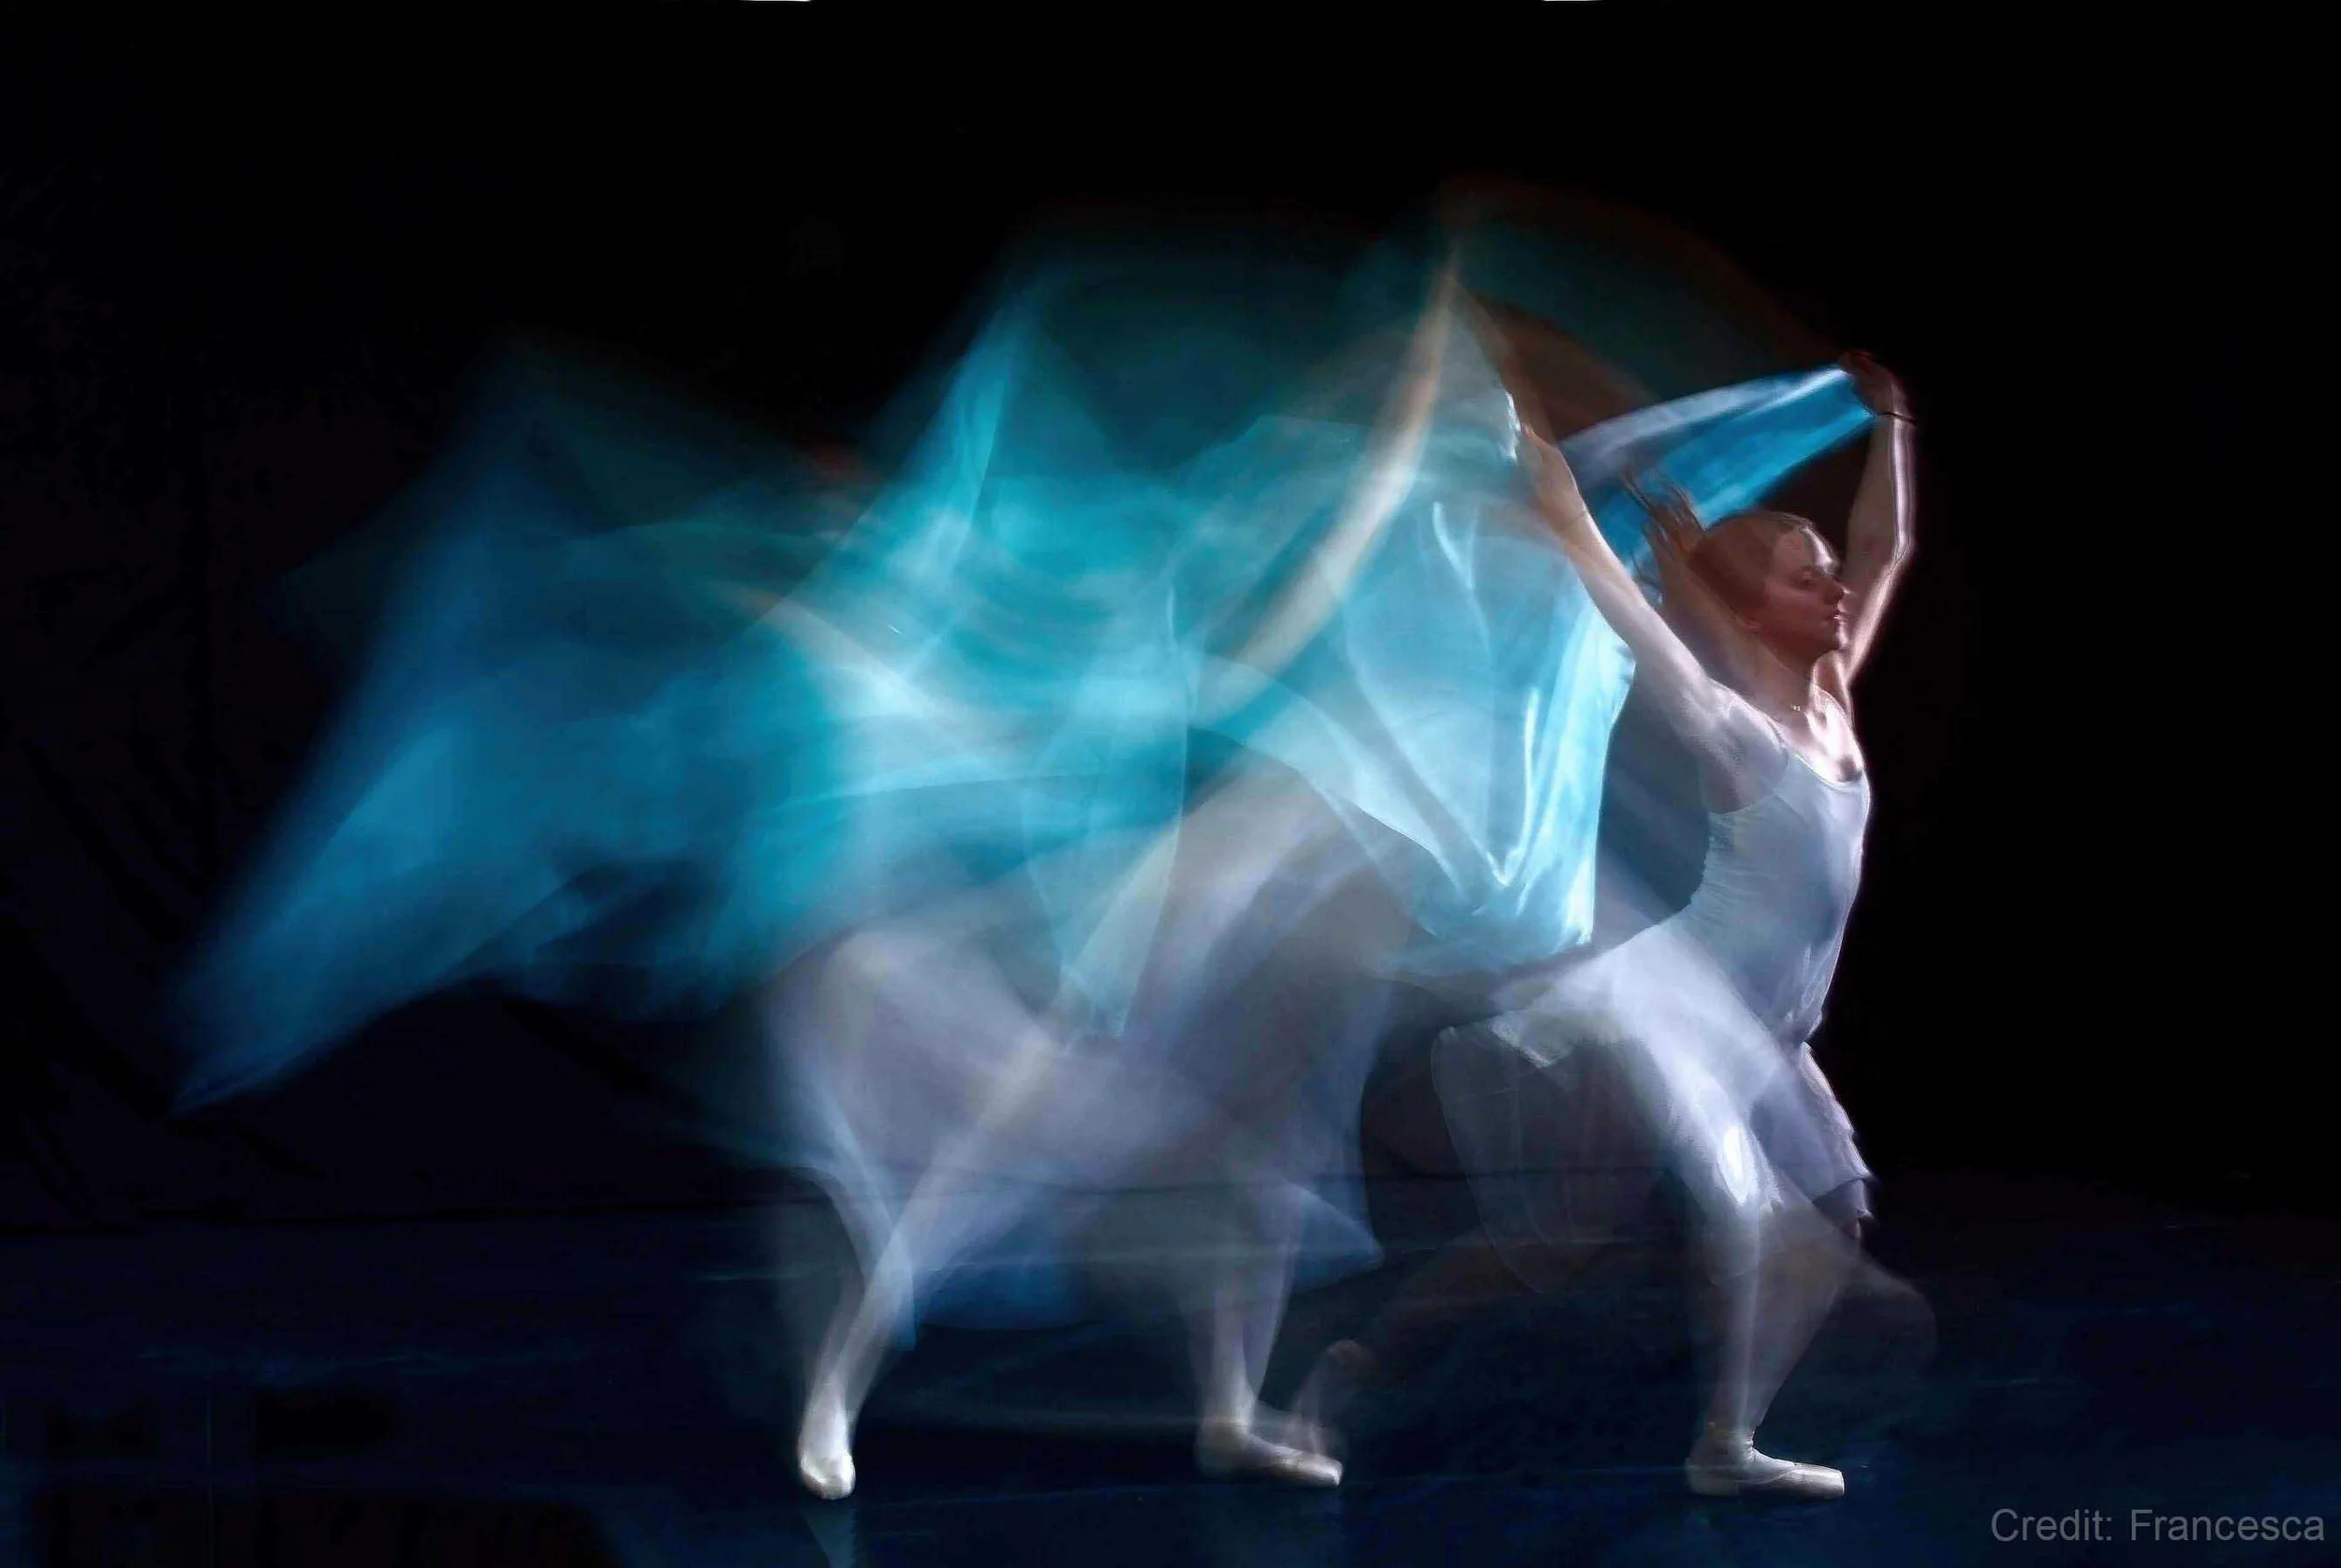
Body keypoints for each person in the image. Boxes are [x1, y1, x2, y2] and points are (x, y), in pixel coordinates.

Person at [1313, 330, 1915, 1500]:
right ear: (1756, 610)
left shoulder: (1835, 703)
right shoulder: (1729, 730)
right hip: (1676, 1009)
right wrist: (1545, 471)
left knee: (1682, 1230)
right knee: (1743, 1214)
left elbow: (1892, 549)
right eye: (1806, 576)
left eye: (1827, 572)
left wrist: (1892, 424)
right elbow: (1600, 571)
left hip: (1770, 1029)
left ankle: (1372, 1361)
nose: (1836, 587)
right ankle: (1720, 1450)